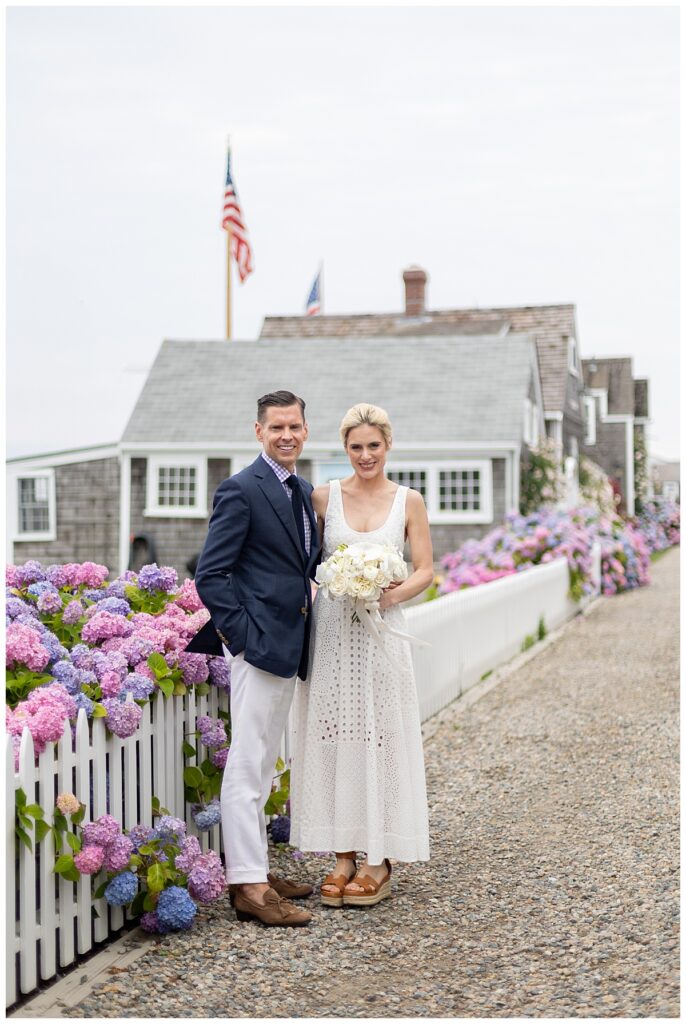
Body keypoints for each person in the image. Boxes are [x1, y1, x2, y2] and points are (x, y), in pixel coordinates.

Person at [290, 403, 432, 907]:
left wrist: (384, 595)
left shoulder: (407, 501)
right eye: (356, 447)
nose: (365, 455)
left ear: (387, 445)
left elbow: (424, 570)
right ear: (344, 449)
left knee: (382, 737)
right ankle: (343, 853)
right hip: (332, 635)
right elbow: (302, 561)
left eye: (374, 445)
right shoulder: (323, 498)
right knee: (335, 734)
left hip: (382, 634)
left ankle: (380, 857)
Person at [191, 390, 321, 927]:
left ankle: (258, 870)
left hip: (290, 646)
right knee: (246, 766)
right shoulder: (241, 490)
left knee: (265, 765)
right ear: (258, 431)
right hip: (257, 648)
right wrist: (240, 639)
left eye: (294, 426)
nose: (286, 435)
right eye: (276, 428)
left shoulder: (304, 490)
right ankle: (247, 888)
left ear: (305, 431)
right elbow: (210, 574)